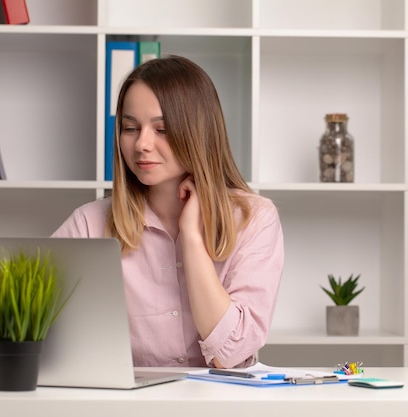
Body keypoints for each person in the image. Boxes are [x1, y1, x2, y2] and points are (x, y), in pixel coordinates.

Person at [52, 55, 284, 369]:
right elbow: (24, 326)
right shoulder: (89, 224)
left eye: (161, 129)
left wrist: (191, 237)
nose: (141, 144)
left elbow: (230, 354)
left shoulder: (254, 218)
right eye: (130, 128)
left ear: (198, 133)